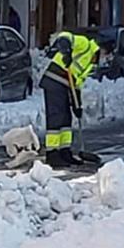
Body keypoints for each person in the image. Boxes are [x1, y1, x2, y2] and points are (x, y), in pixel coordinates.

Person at [41, 31, 99, 168]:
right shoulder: (85, 45)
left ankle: (64, 151)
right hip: (54, 80)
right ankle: (52, 153)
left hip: (65, 86)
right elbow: (64, 37)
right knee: (56, 117)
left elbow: (76, 86)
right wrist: (66, 52)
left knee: (66, 118)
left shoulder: (89, 65)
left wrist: (77, 106)